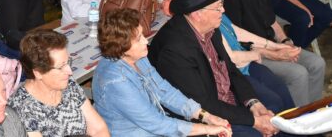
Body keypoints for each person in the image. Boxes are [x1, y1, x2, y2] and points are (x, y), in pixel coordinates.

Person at [149, 0, 282, 137]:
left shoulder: (211, 28)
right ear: (198, 13)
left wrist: (253, 103)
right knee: (254, 133)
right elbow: (202, 103)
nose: (223, 9)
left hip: (223, 99)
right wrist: (253, 120)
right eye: (218, 6)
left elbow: (231, 70)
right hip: (204, 117)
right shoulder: (174, 50)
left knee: (275, 108)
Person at [92, 8, 232, 137]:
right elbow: (157, 124)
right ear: (121, 47)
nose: (145, 41)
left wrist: (206, 116)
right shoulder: (116, 82)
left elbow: (165, 92)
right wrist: (207, 129)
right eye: (138, 39)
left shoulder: (136, 58)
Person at [223, 0, 327, 108]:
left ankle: (312, 109)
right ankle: (297, 120)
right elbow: (236, 40)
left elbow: (271, 21)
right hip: (252, 53)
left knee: (317, 63)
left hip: (271, 44)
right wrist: (273, 53)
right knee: (298, 73)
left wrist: (285, 41)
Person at [8, 30, 109, 137]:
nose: (69, 71)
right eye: (61, 67)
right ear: (38, 73)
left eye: (68, 62)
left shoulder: (68, 85)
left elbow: (98, 129)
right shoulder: (22, 109)